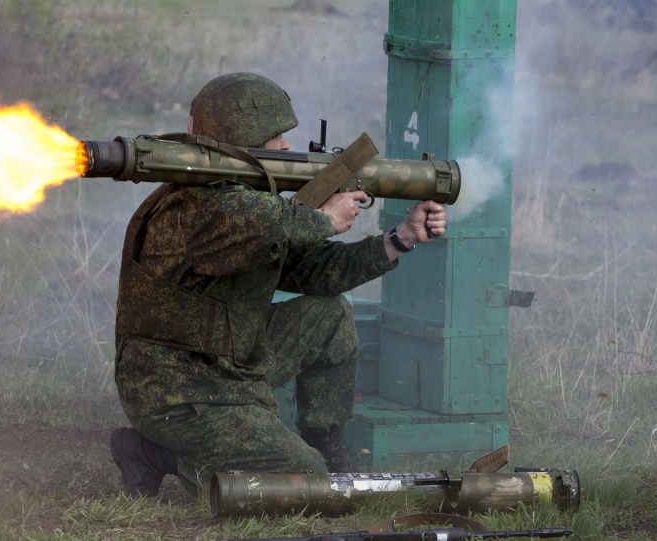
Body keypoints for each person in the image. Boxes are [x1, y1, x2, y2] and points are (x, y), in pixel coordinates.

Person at [109, 72, 447, 497]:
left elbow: (313, 271)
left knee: (329, 313)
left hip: (228, 358)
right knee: (301, 479)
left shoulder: (240, 201)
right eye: (275, 136)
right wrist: (324, 217)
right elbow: (266, 222)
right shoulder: (198, 206)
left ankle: (323, 440)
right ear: (241, 136)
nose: (287, 146)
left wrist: (400, 239)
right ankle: (153, 451)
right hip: (176, 391)